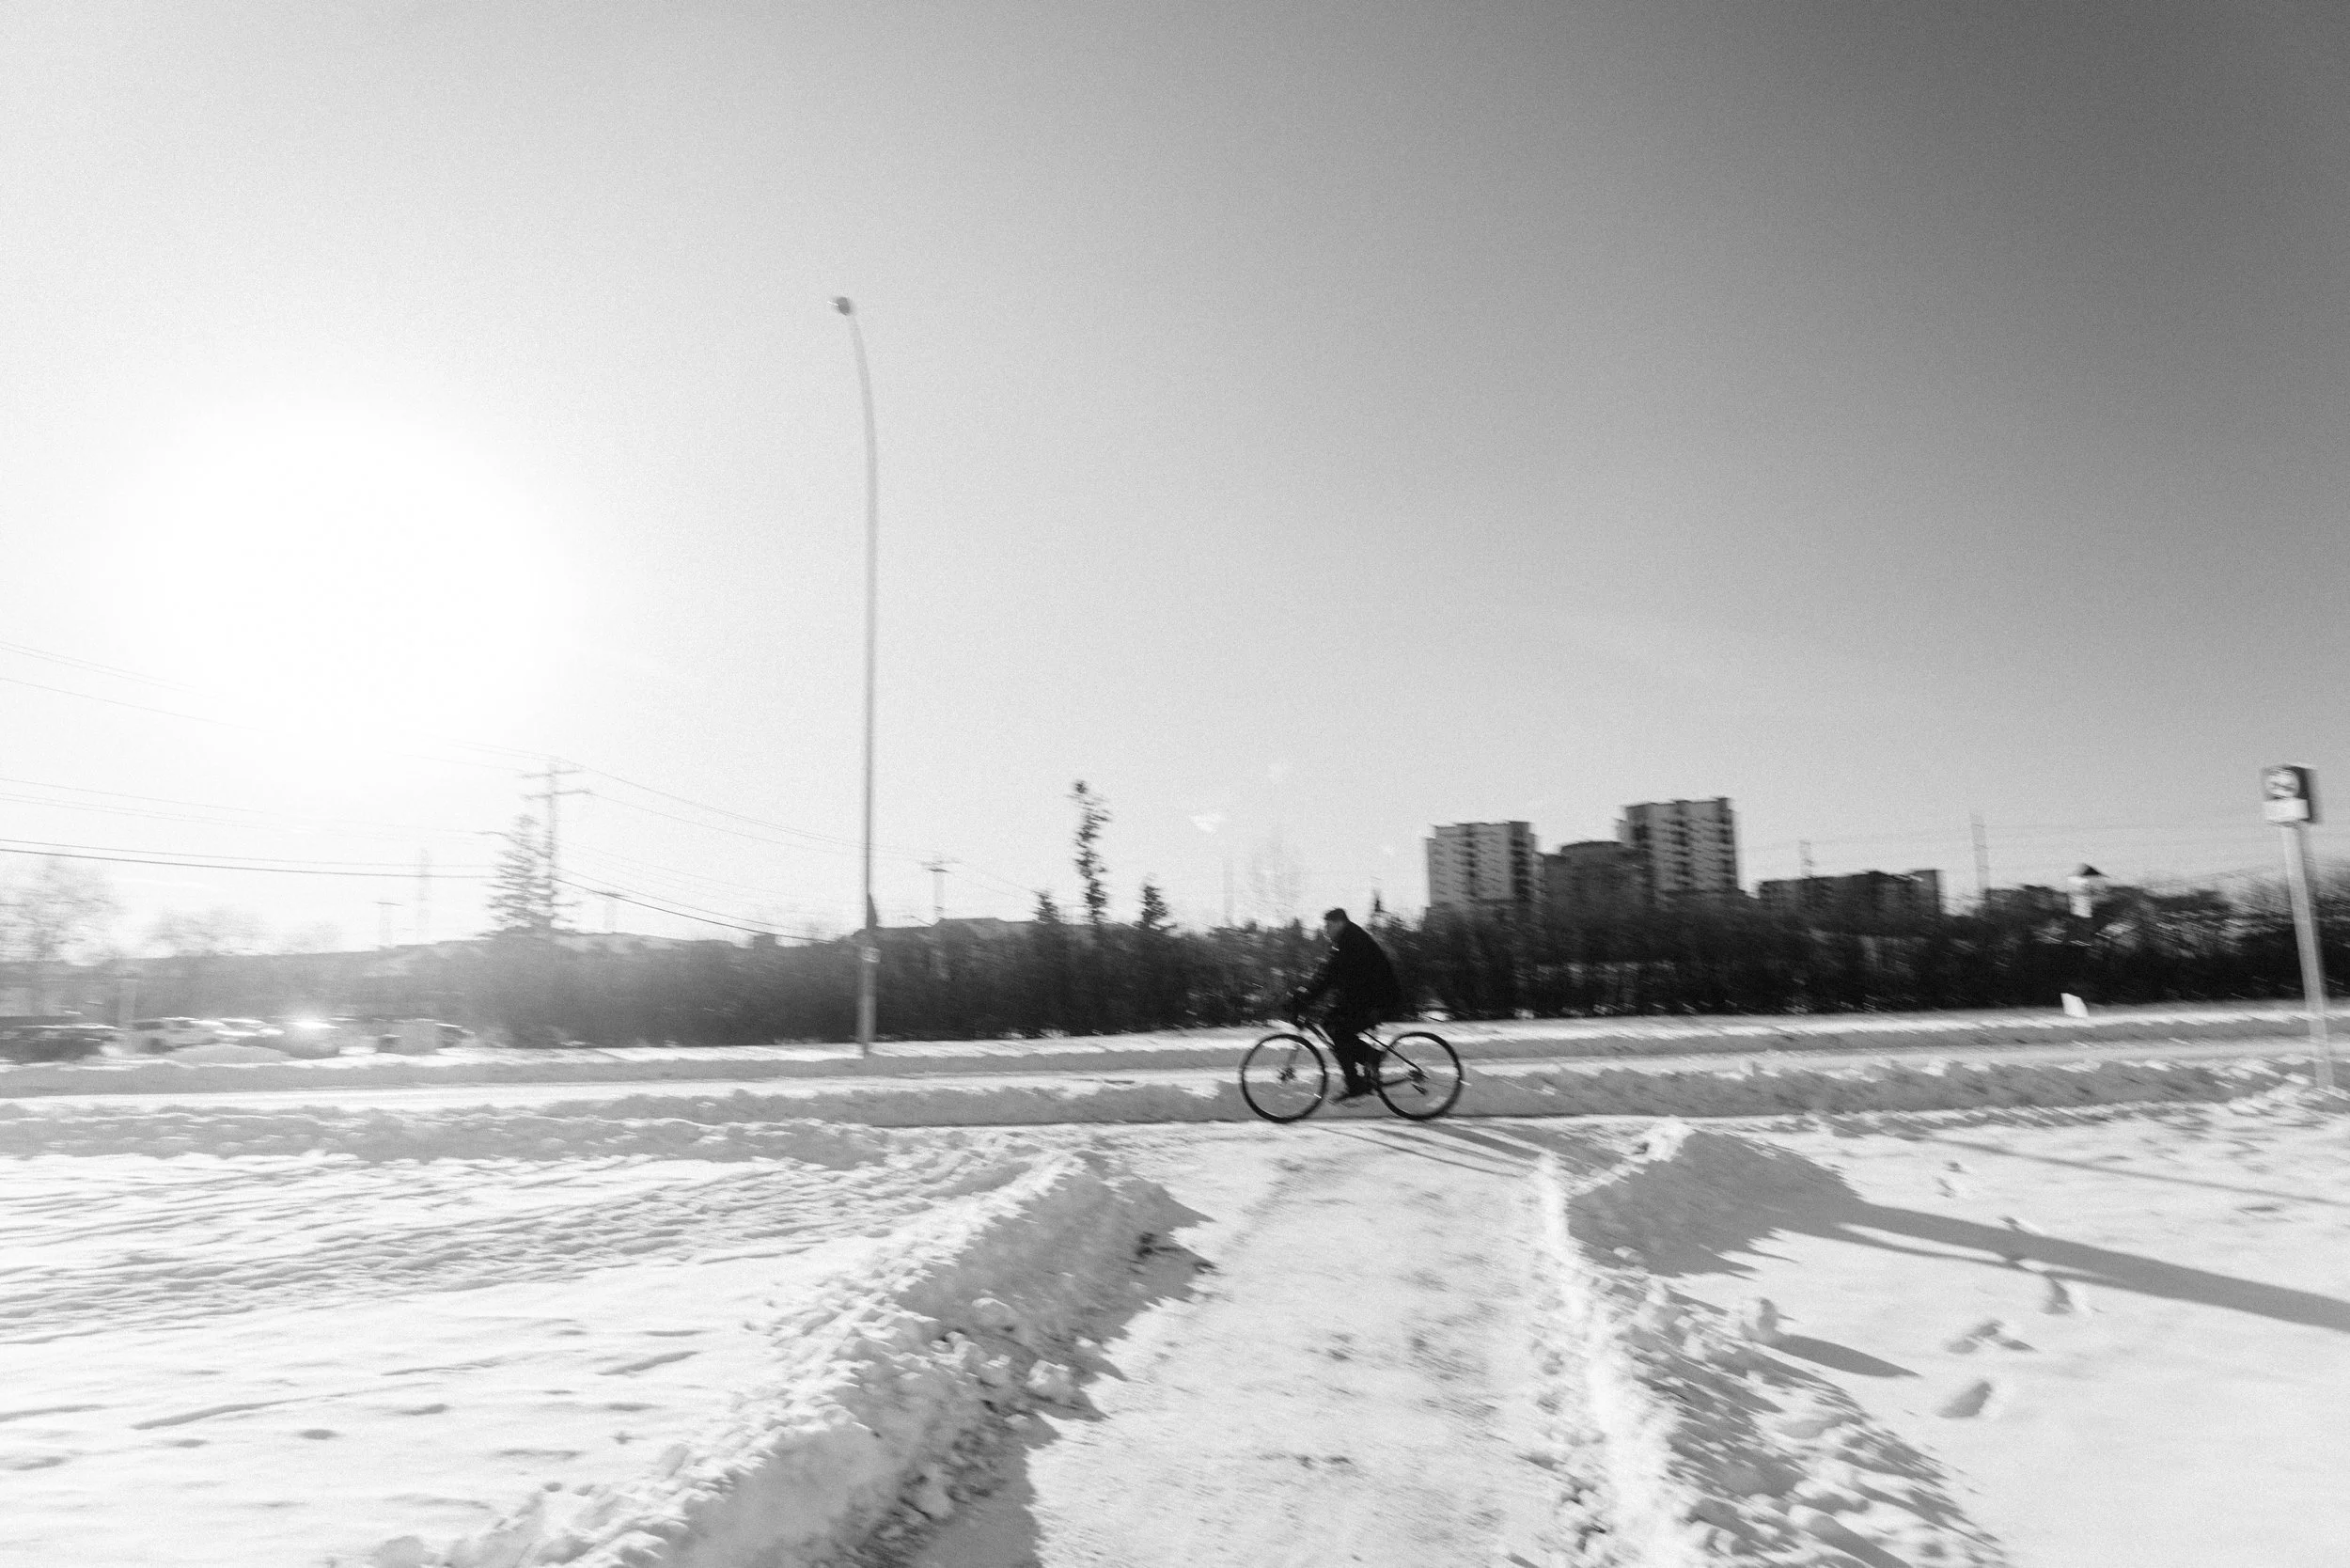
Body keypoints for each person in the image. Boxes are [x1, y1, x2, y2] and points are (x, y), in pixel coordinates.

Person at [1290, 907, 1404, 1100]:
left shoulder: (1350, 942)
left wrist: (1306, 998)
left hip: (1378, 1000)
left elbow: (1330, 977)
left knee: (1337, 1028)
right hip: (1366, 997)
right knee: (1330, 1022)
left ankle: (1357, 1080)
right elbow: (1324, 972)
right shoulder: (1343, 941)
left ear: (1340, 923)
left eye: (1328, 925)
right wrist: (1304, 993)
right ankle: (1368, 1062)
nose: (1325, 930)